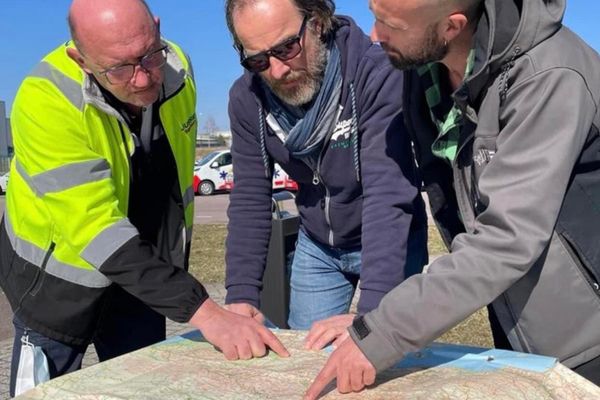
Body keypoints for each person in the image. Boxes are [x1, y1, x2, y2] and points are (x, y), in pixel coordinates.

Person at [305, 0, 600, 397]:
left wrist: (380, 333)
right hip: (514, 313)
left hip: (587, 333)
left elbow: (505, 240)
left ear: (451, 27)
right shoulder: (426, 73)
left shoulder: (549, 75)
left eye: (389, 24)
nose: (375, 35)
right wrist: (370, 319)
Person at [0, 0, 288, 396]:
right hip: (55, 288)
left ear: (156, 27)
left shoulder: (178, 68)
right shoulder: (45, 99)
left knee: (144, 389)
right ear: (80, 60)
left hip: (143, 283)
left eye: (150, 55)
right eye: (119, 68)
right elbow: (96, 229)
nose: (142, 80)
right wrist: (207, 312)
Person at [223, 0, 428, 333]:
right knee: (309, 357)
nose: (276, 71)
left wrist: (372, 316)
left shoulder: (375, 73)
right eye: (257, 59)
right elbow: (250, 198)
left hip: (388, 238)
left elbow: (386, 192)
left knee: (385, 355)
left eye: (287, 48)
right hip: (318, 245)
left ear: (317, 22)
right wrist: (242, 295)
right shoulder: (247, 99)